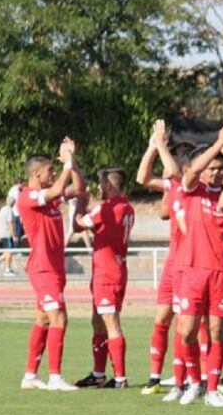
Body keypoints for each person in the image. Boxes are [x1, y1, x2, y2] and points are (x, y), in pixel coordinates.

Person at [172, 122, 223, 406]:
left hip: (222, 273)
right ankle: (194, 381)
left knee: (217, 332)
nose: (215, 173)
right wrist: (217, 144)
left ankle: (212, 388)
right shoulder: (191, 190)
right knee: (187, 331)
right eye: (211, 168)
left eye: (219, 169)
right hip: (193, 271)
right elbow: (192, 171)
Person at [18, 137, 86, 391]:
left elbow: (80, 189)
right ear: (35, 173)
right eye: (49, 170)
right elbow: (58, 190)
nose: (54, 172)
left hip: (54, 268)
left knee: (44, 320)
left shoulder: (50, 198)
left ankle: (30, 375)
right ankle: (55, 377)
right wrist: (67, 163)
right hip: (43, 268)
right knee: (60, 319)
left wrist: (73, 163)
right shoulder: (29, 197)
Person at [74, 168, 136, 389]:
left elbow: (78, 224)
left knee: (111, 324)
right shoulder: (126, 207)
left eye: (101, 184)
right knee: (98, 322)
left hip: (107, 273)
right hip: (112, 269)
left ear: (108, 185)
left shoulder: (108, 208)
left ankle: (120, 378)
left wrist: (80, 202)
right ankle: (98, 373)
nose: (99, 188)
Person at [134, 120, 179, 394]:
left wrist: (161, 143)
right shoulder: (172, 187)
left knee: (195, 324)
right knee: (162, 318)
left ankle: (191, 376)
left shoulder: (185, 182)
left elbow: (172, 169)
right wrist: (153, 145)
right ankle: (154, 376)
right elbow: (141, 178)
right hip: (174, 263)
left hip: (194, 264)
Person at [0, 194, 18, 277]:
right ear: (14, 203)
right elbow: (10, 223)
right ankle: (7, 270)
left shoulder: (2, 209)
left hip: (2, 234)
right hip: (7, 235)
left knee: (8, 252)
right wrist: (14, 235)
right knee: (9, 252)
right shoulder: (9, 211)